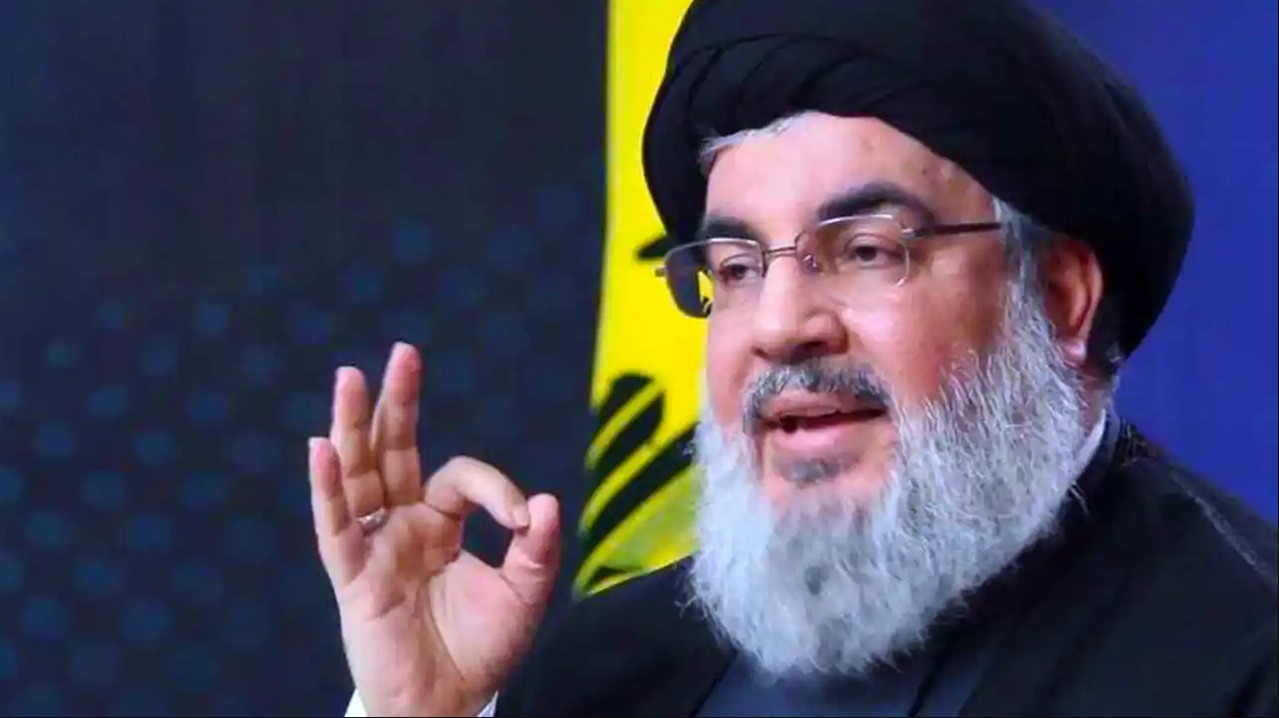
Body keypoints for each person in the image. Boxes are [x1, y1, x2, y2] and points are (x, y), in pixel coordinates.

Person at [311, 0, 1277, 715]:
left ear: (1058, 297)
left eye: (866, 250)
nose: (778, 325)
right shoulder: (604, 669)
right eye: (734, 268)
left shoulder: (1240, 658)